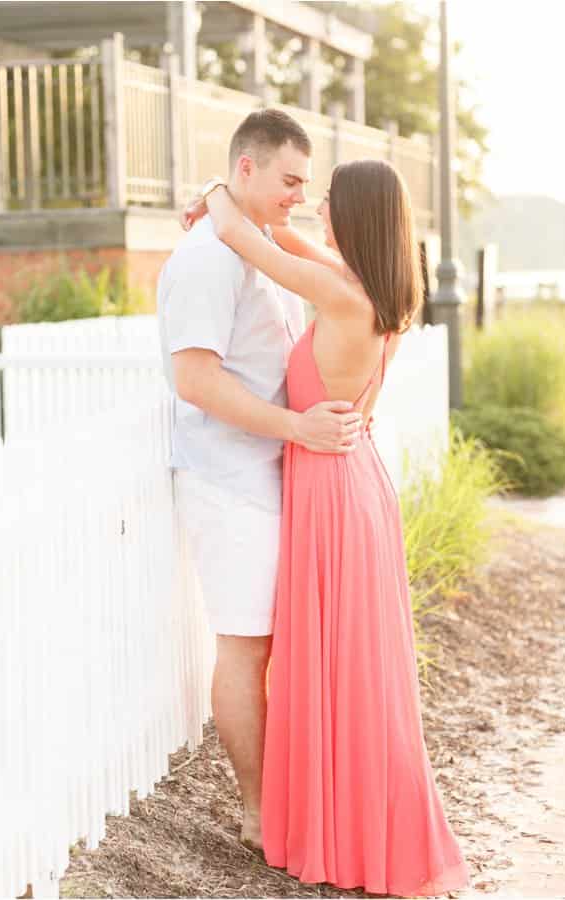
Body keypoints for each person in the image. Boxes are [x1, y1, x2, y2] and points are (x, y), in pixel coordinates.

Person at [179, 139, 471, 894]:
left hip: (330, 490)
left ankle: (340, 832)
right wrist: (251, 214)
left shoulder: (343, 296)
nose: (316, 206)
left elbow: (246, 237)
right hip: (353, 483)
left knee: (333, 667)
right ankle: (351, 824)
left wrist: (218, 189)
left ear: (358, 217)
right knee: (352, 670)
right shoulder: (378, 291)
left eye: (329, 199)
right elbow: (279, 238)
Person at [158, 109, 362, 857]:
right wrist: (296, 430)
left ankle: (293, 799)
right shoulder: (209, 259)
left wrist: (220, 198)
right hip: (230, 483)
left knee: (280, 647)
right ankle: (257, 809)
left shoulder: (255, 245)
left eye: (308, 184)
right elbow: (195, 380)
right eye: (289, 181)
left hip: (274, 479)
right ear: (247, 169)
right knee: (245, 649)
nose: (299, 197)